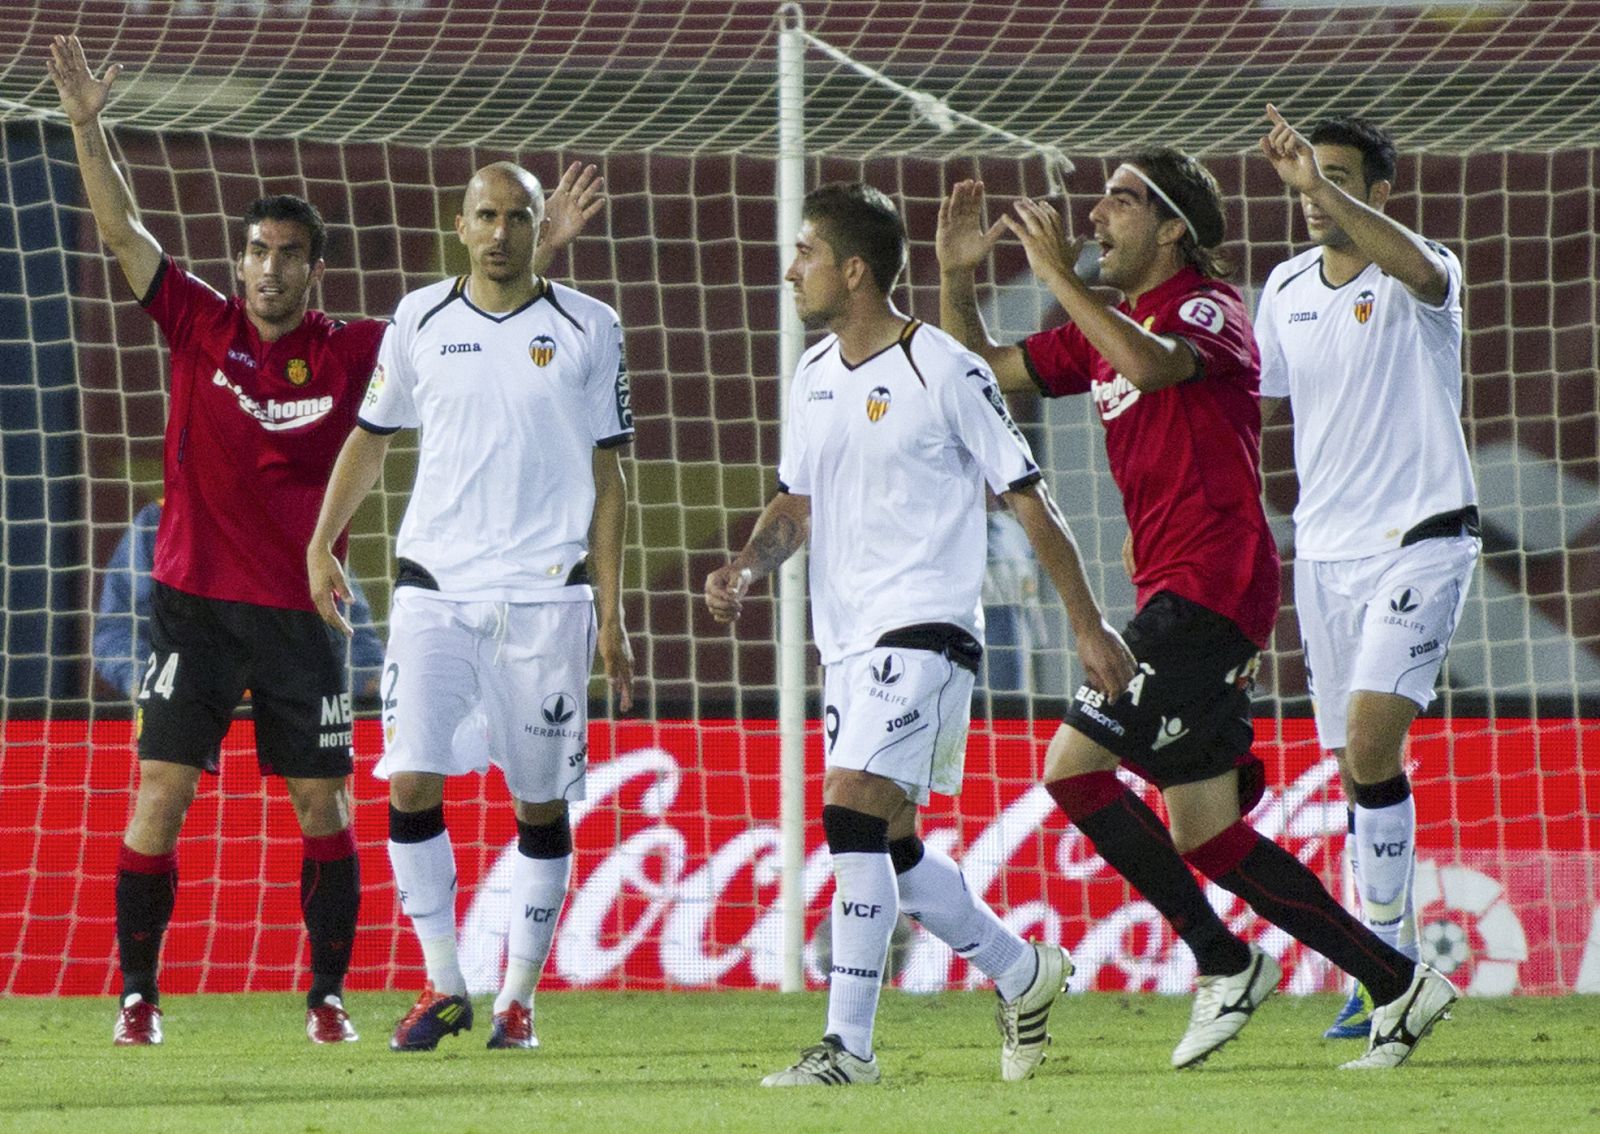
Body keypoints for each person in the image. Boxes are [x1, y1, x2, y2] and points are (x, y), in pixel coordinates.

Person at [48, 34, 599, 1049]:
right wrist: (89, 126)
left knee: (322, 802)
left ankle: (328, 996)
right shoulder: (197, 323)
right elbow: (124, 231)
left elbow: (474, 322)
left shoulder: (357, 349)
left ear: (312, 267)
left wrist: (542, 249)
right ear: (241, 260)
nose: (268, 268)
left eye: (288, 254)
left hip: (305, 611)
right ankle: (137, 995)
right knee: (159, 792)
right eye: (256, 251)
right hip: (194, 604)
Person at [936, 149, 1456, 1070]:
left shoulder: (1206, 309)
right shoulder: (1111, 322)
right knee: (1206, 832)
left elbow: (1149, 363)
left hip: (1211, 584)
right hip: (1175, 586)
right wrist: (955, 274)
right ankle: (1395, 980)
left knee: (1073, 770)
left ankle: (1222, 960)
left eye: (1122, 203)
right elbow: (982, 362)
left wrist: (1055, 274)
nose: (1097, 215)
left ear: (1174, 227)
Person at [705, 182, 1137, 1087]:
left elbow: (1027, 493)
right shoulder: (813, 375)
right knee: (891, 843)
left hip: (928, 632)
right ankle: (1023, 971)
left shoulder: (945, 367)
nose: (791, 270)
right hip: (848, 644)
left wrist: (1087, 624)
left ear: (853, 269)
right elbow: (797, 502)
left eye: (805, 253)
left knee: (850, 812)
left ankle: (848, 1049)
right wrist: (749, 564)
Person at [307, 161, 634, 1055]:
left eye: (516, 217)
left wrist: (612, 609)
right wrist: (321, 540)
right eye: (484, 216)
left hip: (545, 599)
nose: (499, 232)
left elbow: (610, 479)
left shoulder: (591, 327)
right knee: (410, 779)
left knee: (538, 804)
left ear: (539, 227)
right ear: (459, 225)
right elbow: (369, 443)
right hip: (434, 591)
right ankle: (446, 982)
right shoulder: (418, 319)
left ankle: (518, 1000)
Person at [1255, 107, 1480, 1041]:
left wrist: (1322, 189)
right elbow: (1252, 408)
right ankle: (1382, 971)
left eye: (1340, 176)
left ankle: (1388, 975)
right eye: (1309, 174)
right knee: (1353, 764)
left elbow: (1419, 268)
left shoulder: (1423, 271)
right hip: (1327, 552)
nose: (1314, 191)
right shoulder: (1285, 286)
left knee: (1371, 741)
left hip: (1421, 536)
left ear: (1378, 192)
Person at [93, 498, 385, 702]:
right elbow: (116, 632)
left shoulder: (301, 520)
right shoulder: (158, 521)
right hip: (188, 705)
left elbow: (355, 635)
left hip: (293, 703)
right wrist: (147, 682)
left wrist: (365, 680)